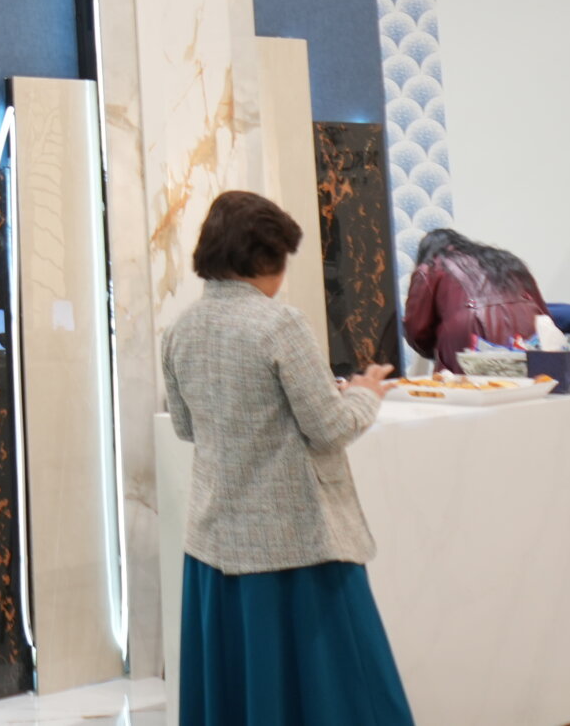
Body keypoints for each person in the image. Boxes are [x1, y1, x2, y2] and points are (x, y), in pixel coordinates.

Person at [164, 190, 409, 726]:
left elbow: (186, 427)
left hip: (215, 543)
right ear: (263, 258)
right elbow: (330, 428)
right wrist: (365, 393)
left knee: (244, 693)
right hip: (296, 546)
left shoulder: (181, 330)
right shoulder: (280, 324)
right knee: (343, 688)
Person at [404, 227, 551, 373]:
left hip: (471, 340)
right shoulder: (506, 259)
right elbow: (544, 316)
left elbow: (417, 331)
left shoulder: (431, 266)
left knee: (466, 384)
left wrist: (434, 351)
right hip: (527, 337)